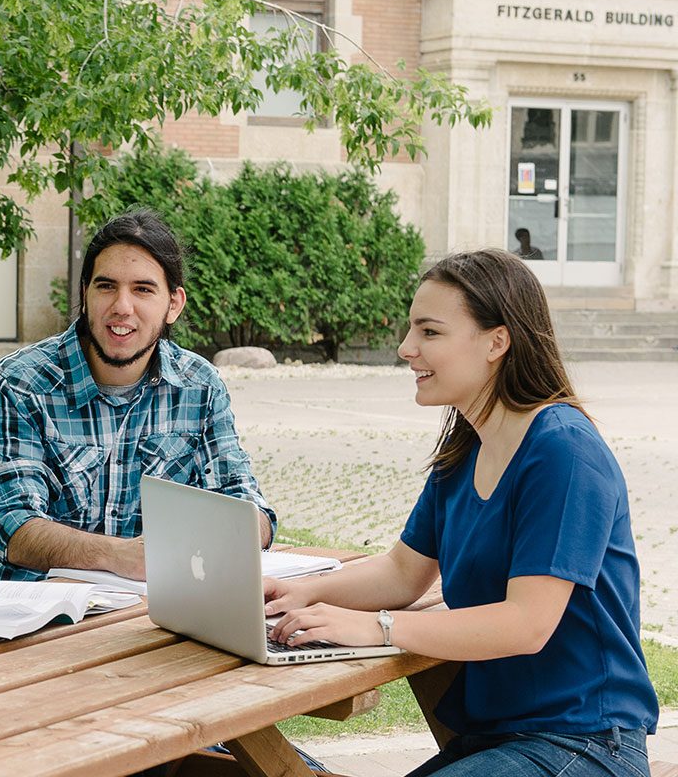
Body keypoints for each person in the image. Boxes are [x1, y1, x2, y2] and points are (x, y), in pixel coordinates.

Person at [265, 249, 658, 776]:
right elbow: (402, 572)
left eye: (429, 331)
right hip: (497, 738)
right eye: (411, 329)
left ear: (497, 341)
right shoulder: (466, 447)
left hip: (582, 743)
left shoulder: (564, 450)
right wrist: (297, 594)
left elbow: (527, 623)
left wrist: (377, 628)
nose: (406, 348)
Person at [0, 208, 276, 582]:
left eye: (142, 289)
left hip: (139, 610)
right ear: (85, 295)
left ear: (173, 304)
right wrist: (125, 557)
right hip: (18, 608)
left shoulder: (199, 387)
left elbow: (247, 505)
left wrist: (240, 530)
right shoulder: (17, 384)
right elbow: (16, 528)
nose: (122, 306)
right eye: (106, 286)